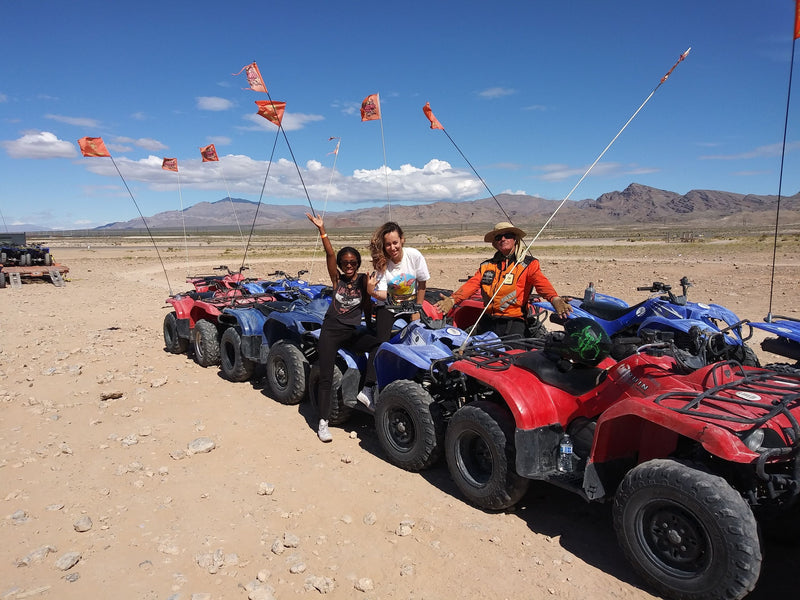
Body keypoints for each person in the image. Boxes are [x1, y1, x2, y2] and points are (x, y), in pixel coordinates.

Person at [306, 213, 379, 442]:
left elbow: (367, 304)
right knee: (326, 377)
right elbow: (329, 253)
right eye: (345, 262)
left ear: (358, 263)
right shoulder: (337, 281)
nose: (349, 265)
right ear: (340, 265)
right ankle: (323, 422)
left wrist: (369, 325)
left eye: (353, 262)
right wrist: (322, 229)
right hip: (330, 332)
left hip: (351, 333)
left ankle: (367, 389)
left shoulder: (364, 280)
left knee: (380, 344)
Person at [435, 221, 572, 337]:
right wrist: (453, 300)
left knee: (513, 360)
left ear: (515, 239)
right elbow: (471, 285)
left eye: (508, 235)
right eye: (499, 237)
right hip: (487, 321)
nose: (503, 239)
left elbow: (541, 283)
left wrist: (555, 299)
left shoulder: (528, 264)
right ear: (495, 243)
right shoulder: (487, 266)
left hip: (513, 323)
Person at [367, 221, 431, 343]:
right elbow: (383, 294)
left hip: (411, 305)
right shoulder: (382, 262)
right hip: (388, 307)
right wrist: (372, 292)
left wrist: (417, 309)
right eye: (388, 244)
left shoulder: (414, 256)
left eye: (395, 243)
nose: (392, 248)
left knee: (420, 337)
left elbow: (422, 284)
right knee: (381, 343)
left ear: (402, 240)